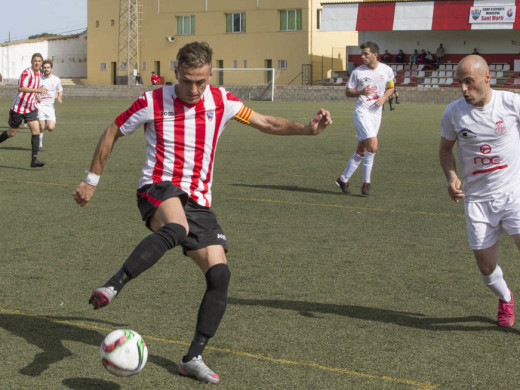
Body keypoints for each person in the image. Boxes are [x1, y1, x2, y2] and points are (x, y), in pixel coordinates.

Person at [72, 41, 332, 384]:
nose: (193, 89)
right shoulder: (151, 101)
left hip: (198, 201)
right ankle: (112, 286)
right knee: (177, 227)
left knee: (220, 275)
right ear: (175, 72)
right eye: (187, 81)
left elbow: (266, 122)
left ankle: (192, 357)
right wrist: (91, 180)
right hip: (158, 188)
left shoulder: (222, 101)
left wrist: (308, 129)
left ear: (211, 74)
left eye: (201, 81)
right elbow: (112, 131)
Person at [439, 55, 518, 328]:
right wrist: (451, 177)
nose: (463, 89)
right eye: (460, 83)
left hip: (513, 195)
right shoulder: (453, 113)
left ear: (486, 78)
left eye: (468, 82)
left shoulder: (511, 104)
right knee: (486, 268)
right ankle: (505, 297)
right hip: (477, 201)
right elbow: (445, 150)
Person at [335, 41, 394, 196]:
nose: (363, 56)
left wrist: (385, 97)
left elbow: (391, 87)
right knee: (373, 146)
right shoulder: (357, 72)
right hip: (362, 112)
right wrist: (360, 92)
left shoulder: (386, 70)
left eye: (366, 54)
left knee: (362, 150)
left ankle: (343, 179)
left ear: (375, 55)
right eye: (362, 54)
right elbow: (348, 92)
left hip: (376, 114)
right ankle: (366, 183)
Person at [0, 53, 47, 167]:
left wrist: (37, 95)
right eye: (35, 61)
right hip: (18, 108)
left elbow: (33, 90)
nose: (37, 63)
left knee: (36, 131)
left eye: (39, 61)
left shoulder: (40, 74)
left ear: (41, 63)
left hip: (31, 108)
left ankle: (34, 160)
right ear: (31, 62)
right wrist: (37, 90)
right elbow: (21, 88)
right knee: (11, 133)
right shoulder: (27, 72)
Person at [37, 59, 63, 151]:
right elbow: (33, 90)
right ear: (42, 68)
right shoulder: (38, 79)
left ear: (51, 68)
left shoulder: (56, 79)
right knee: (41, 126)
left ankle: (42, 128)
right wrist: (37, 96)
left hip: (50, 107)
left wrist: (59, 97)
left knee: (51, 128)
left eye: (48, 67)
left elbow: (60, 90)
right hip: (39, 105)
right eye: (44, 67)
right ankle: (39, 144)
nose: (46, 69)